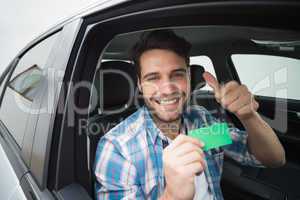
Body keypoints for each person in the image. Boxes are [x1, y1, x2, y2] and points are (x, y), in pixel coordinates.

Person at [94, 29, 285, 200]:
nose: (168, 89)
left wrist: (249, 116)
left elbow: (274, 159)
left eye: (177, 74)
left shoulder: (200, 120)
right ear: (140, 84)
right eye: (153, 78)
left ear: (188, 76)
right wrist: (172, 196)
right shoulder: (119, 148)